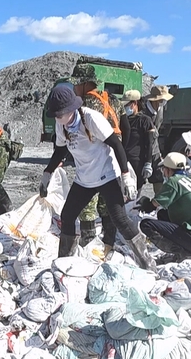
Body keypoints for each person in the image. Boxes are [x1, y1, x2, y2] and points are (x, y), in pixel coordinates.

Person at [41, 85, 155, 269]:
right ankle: (64, 262)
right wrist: (47, 173)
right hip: (84, 178)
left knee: (120, 219)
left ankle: (147, 262)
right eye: (55, 115)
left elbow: (116, 145)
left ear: (70, 110)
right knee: (67, 216)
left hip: (107, 174)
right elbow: (60, 151)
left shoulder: (91, 118)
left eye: (60, 114)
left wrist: (125, 175)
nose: (57, 118)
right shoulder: (61, 125)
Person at [67, 64, 129, 250]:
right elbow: (126, 128)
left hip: (95, 161)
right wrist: (121, 152)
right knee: (108, 206)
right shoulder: (113, 99)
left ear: (85, 84)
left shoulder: (82, 104)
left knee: (87, 207)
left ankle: (88, 245)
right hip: (114, 160)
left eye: (76, 84)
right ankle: (108, 244)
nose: (74, 88)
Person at [136, 152, 191, 262]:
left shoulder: (174, 182)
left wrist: (143, 203)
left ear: (168, 170)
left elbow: (151, 206)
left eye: (163, 169)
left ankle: (184, 253)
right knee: (163, 214)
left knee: (147, 225)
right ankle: (189, 250)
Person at [121, 90, 157, 191]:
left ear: (134, 103)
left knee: (134, 192)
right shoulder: (122, 120)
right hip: (122, 160)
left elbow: (149, 143)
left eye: (127, 105)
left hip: (137, 162)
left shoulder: (145, 120)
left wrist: (148, 163)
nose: (124, 108)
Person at [144, 85, 174, 188]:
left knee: (159, 177)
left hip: (155, 149)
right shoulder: (143, 111)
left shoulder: (161, 109)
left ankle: (159, 198)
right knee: (138, 180)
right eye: (162, 99)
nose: (163, 101)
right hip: (142, 149)